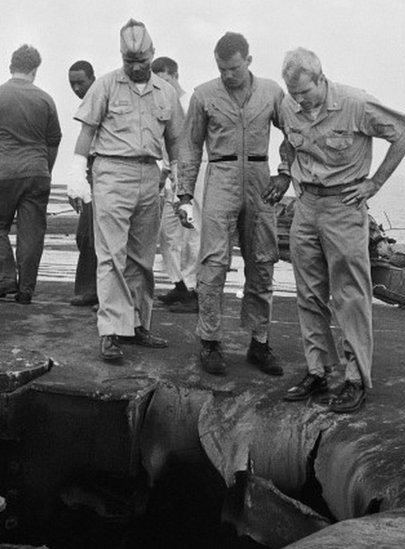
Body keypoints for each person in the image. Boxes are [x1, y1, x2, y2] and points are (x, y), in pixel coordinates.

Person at [271, 48, 405, 413]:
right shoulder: (289, 107)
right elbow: (288, 139)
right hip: (305, 206)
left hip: (344, 207)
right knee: (309, 293)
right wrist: (288, 170)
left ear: (321, 78)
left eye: (305, 92)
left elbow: (403, 136)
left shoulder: (356, 103)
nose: (299, 100)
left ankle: (355, 379)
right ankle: (318, 370)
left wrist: (375, 184)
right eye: (294, 93)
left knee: (350, 295)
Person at [67, 19, 184, 361]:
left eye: (142, 62)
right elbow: (86, 133)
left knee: (142, 257)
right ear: (121, 56)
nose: (136, 67)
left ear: (152, 54)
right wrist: (77, 173)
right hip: (111, 172)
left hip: (150, 174)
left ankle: (137, 325)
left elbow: (176, 141)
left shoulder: (166, 92)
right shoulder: (104, 85)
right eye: (129, 61)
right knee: (111, 255)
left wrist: (178, 180)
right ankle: (111, 331)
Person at [177, 32, 287, 377]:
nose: (227, 74)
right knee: (213, 262)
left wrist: (284, 174)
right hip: (220, 177)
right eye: (221, 68)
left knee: (263, 260)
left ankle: (259, 341)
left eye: (234, 68)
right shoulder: (203, 95)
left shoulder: (272, 92)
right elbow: (190, 146)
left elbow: (295, 134)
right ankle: (209, 341)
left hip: (259, 179)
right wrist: (183, 194)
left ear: (248, 61)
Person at [0, 44, 62, 305]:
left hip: (3, 172)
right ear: (35, 69)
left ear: (11, 67)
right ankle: (26, 289)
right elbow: (54, 141)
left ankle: (5, 278)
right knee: (31, 232)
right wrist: (46, 169)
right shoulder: (45, 99)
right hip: (37, 172)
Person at [151, 56, 200, 313]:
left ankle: (195, 291)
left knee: (191, 232)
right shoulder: (162, 105)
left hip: (191, 174)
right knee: (167, 233)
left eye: (164, 78)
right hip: (171, 175)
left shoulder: (190, 102)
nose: (161, 84)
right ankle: (179, 284)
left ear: (174, 74)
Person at [66, 59, 98, 307]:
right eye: (72, 83)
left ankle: (91, 289)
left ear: (92, 78)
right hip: (91, 173)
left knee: (88, 235)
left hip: (101, 173)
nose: (76, 88)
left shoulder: (97, 100)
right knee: (85, 234)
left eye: (80, 82)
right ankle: (91, 288)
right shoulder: (89, 102)